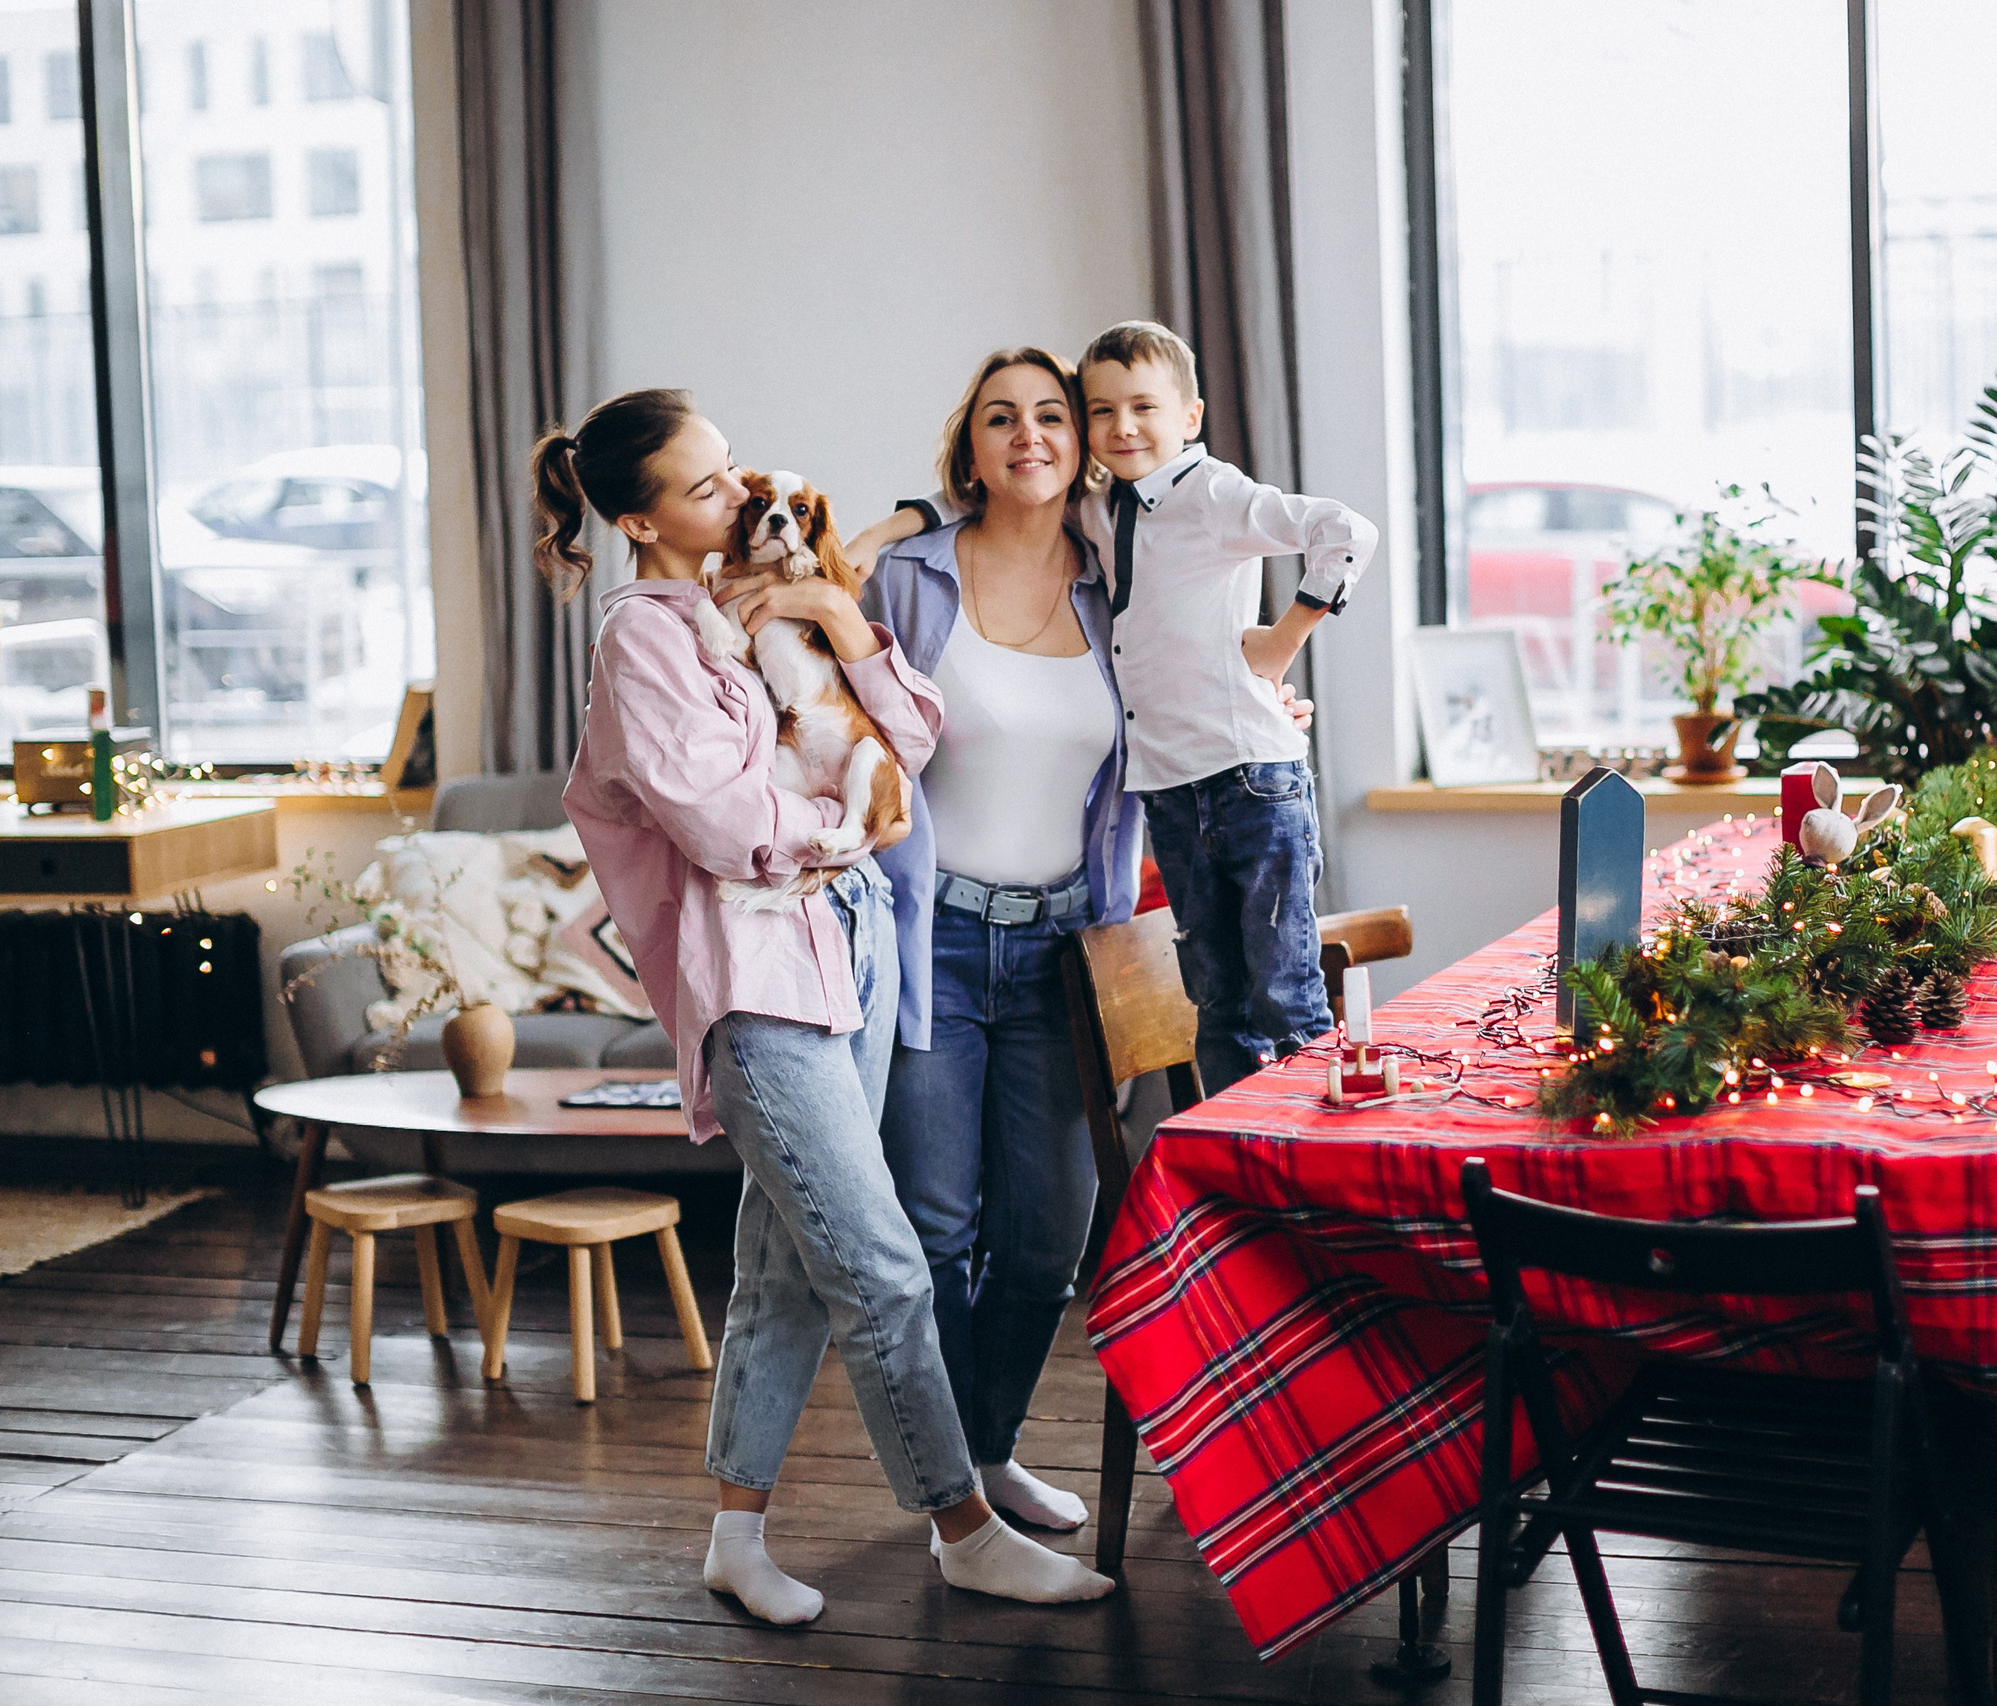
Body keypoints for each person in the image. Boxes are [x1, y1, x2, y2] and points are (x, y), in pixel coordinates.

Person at [709, 347, 1319, 1538]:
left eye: (1053, 415)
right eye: (1002, 417)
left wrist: (1262, 699)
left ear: (1084, 440)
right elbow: (816, 690)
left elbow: (1191, 686)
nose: (1030, 434)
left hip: (1066, 947)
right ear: (970, 445)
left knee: (1047, 1235)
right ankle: (950, 1496)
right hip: (927, 934)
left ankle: (988, 1450)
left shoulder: (1120, 578)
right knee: (934, 1227)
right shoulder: (908, 574)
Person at [535, 387, 1114, 1626]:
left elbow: (914, 730)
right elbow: (726, 824)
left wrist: (839, 619)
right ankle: (963, 1526)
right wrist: (841, 827)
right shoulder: (644, 638)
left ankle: (734, 1536)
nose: (740, 495)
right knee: (885, 1263)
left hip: (854, 943)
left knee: (782, 1268)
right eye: (704, 488)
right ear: (638, 518)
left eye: (735, 466)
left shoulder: (750, 599)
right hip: (755, 976)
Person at [865, 320, 1377, 1094]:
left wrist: (1277, 650)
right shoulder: (1094, 523)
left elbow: (1340, 533)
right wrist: (885, 527)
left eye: (1140, 407)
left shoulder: (1173, 513)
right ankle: (1236, 1142)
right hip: (1115, 824)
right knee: (1217, 998)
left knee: (1281, 990)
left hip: (1201, 813)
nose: (1121, 427)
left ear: (1190, 416)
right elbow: (982, 493)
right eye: (1102, 411)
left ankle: (1303, 1146)